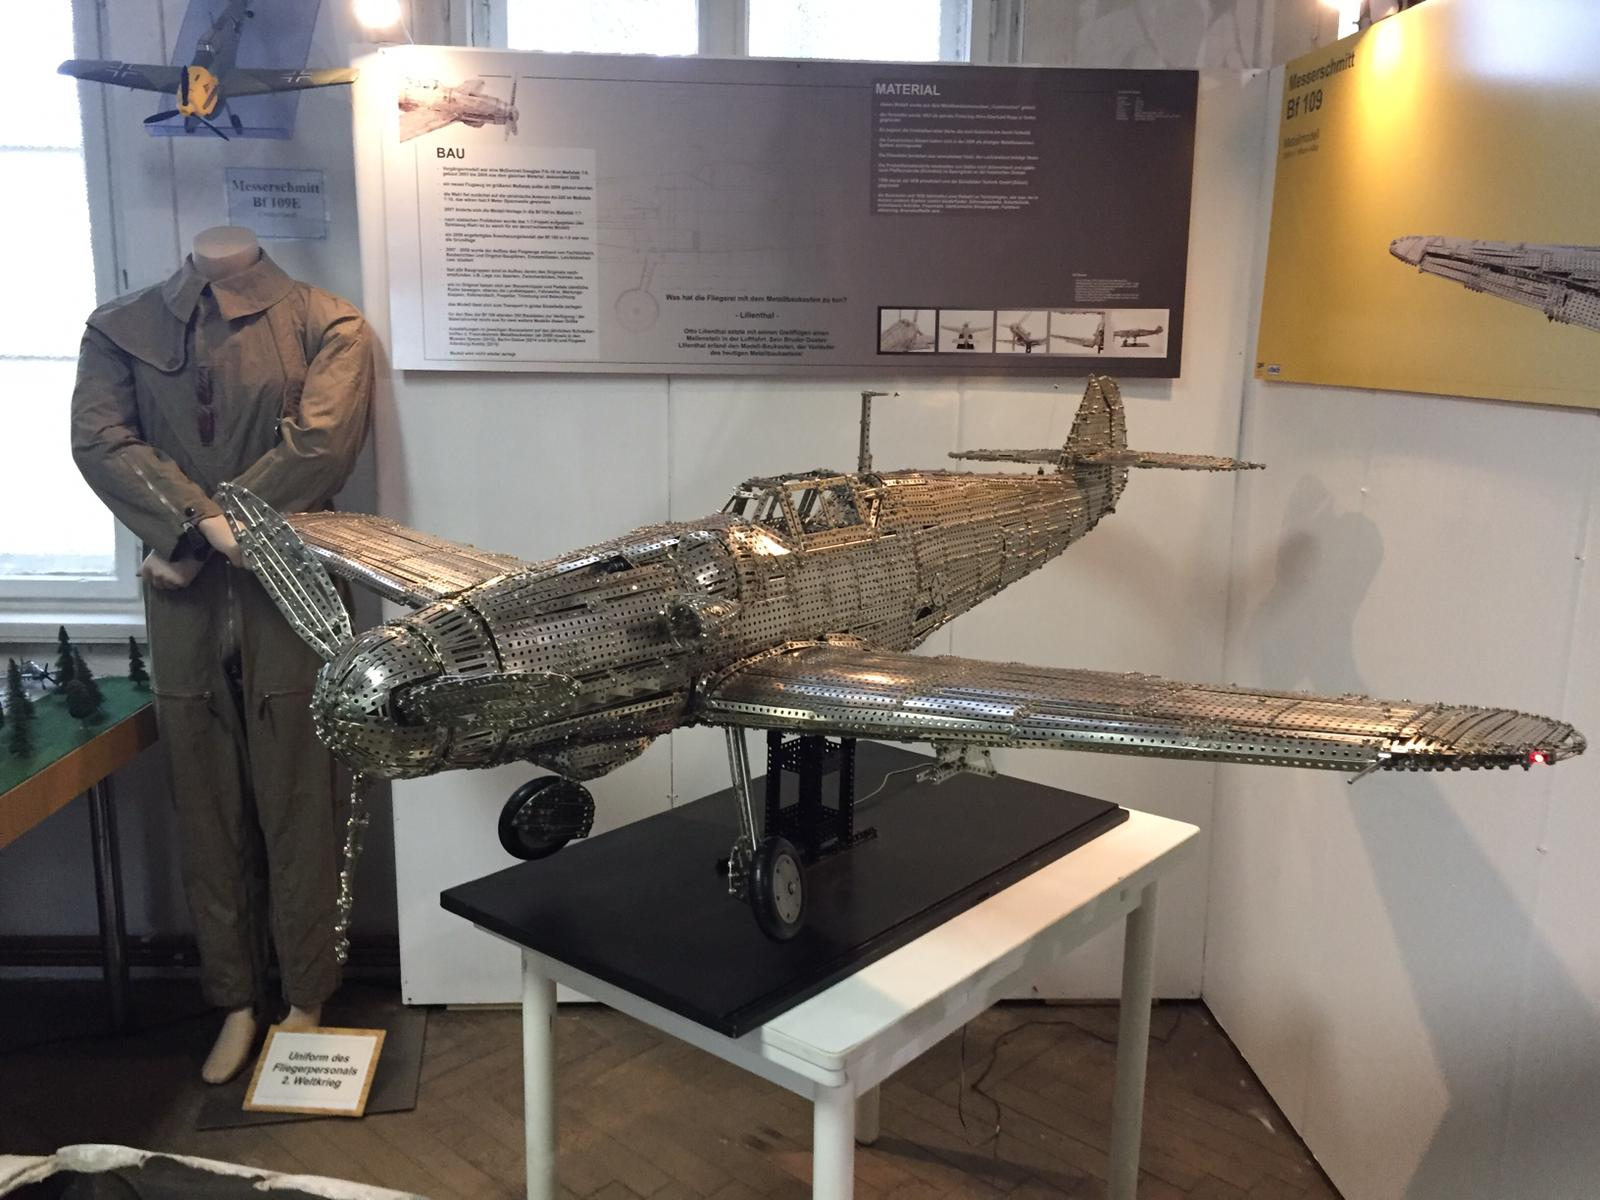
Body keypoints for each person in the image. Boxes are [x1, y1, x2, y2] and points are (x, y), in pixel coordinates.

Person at [70, 226, 374, 1083]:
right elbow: (101, 440)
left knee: (303, 795)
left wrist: (199, 537)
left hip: (292, 587)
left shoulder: (329, 323)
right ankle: (235, 1000)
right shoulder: (120, 328)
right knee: (203, 797)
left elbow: (321, 446)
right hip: (184, 601)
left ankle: (306, 996)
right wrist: (201, 529)